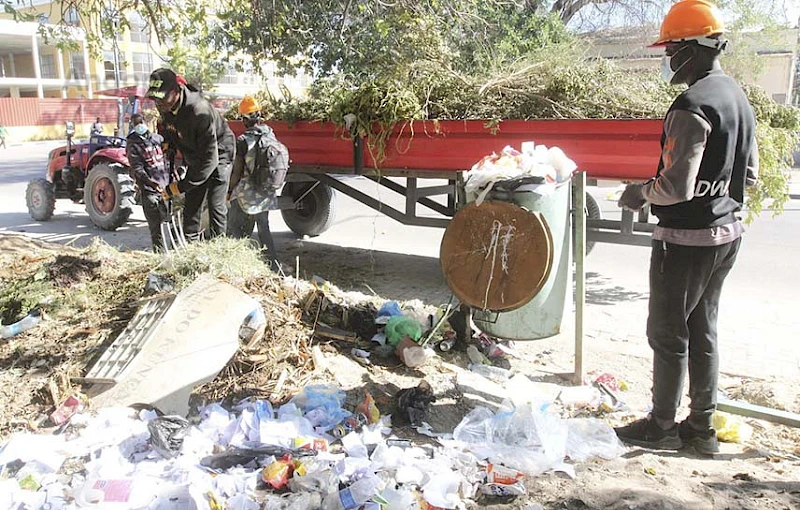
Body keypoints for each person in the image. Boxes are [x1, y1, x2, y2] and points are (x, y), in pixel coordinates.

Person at [614, 0, 758, 455]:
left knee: (667, 333)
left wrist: (639, 193)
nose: (667, 59)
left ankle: (661, 426)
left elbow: (674, 187)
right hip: (726, 234)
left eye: (670, 50)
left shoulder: (691, 105)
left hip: (685, 242)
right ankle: (702, 428)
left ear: (691, 50)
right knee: (704, 328)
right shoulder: (736, 97)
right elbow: (748, 175)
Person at [146, 68, 235, 241]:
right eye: (155, 99)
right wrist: (168, 142)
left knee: (215, 203)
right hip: (195, 151)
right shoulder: (166, 105)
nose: (159, 104)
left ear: (175, 92)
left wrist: (180, 186)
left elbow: (210, 160)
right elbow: (170, 126)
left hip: (219, 152)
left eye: (162, 99)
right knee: (192, 202)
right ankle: (191, 243)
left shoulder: (198, 111)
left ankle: (218, 246)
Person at [227, 96, 288, 270]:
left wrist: (229, 192)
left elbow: (237, 172)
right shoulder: (270, 135)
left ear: (244, 119)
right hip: (266, 190)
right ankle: (273, 265)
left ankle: (239, 262)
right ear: (260, 116)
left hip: (246, 193)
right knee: (263, 228)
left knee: (233, 226)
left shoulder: (242, 141)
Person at [126, 114, 170, 252]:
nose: (139, 125)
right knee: (155, 225)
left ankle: (174, 249)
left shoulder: (156, 139)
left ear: (145, 122)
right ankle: (160, 253)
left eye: (140, 122)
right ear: (133, 126)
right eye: (136, 123)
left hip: (165, 187)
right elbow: (137, 169)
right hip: (149, 189)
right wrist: (151, 183)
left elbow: (167, 158)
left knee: (169, 220)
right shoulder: (133, 144)